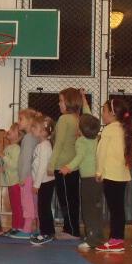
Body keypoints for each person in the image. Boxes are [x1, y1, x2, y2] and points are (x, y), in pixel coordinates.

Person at [47, 87, 88, 239]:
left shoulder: (64, 119)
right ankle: (71, 228)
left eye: (61, 101)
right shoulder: (78, 118)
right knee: (72, 199)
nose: (59, 104)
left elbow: (59, 144)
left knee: (66, 199)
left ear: (69, 102)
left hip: (63, 166)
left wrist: (51, 165)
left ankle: (71, 230)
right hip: (73, 166)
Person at [60, 111, 103, 250]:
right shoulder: (96, 139)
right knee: (96, 209)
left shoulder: (81, 141)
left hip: (88, 181)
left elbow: (79, 157)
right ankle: (97, 236)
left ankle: (92, 240)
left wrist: (68, 167)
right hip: (98, 179)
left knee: (88, 210)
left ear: (81, 129)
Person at [95, 98, 132, 253]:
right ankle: (117, 239)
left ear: (112, 113)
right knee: (118, 209)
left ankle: (116, 241)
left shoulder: (110, 129)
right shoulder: (123, 128)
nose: (102, 114)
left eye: (104, 111)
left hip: (111, 175)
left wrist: (99, 172)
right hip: (121, 175)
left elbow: (101, 153)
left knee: (115, 209)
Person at [30, 114, 56, 245]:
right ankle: (46, 231)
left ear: (43, 131)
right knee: (43, 208)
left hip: (45, 182)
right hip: (43, 182)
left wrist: (36, 184)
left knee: (43, 208)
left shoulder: (45, 146)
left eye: (34, 127)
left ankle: (47, 232)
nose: (32, 129)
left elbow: (42, 167)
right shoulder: (41, 145)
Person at [0, 123, 27, 239]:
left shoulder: (17, 148)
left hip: (16, 182)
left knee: (18, 206)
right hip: (10, 182)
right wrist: (0, 161)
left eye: (12, 129)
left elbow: (15, 165)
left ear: (18, 135)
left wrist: (3, 157)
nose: (8, 130)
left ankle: (20, 227)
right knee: (14, 206)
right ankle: (15, 227)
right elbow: (4, 162)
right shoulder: (8, 147)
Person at [17, 108, 40, 235]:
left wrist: (22, 177)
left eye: (21, 119)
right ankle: (37, 228)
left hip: (27, 176)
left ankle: (27, 229)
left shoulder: (28, 138)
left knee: (27, 202)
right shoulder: (34, 137)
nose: (18, 121)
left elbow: (26, 159)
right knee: (34, 202)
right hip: (34, 176)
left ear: (30, 121)